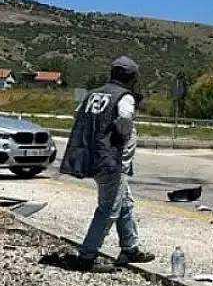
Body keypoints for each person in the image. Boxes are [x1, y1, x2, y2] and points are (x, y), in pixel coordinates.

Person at [59, 56, 156, 272]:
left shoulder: (93, 94)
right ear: (131, 77)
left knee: (125, 203)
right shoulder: (125, 97)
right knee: (109, 209)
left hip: (95, 157)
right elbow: (125, 118)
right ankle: (87, 256)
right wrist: (121, 134)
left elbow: (79, 114)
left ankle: (130, 248)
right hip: (112, 161)